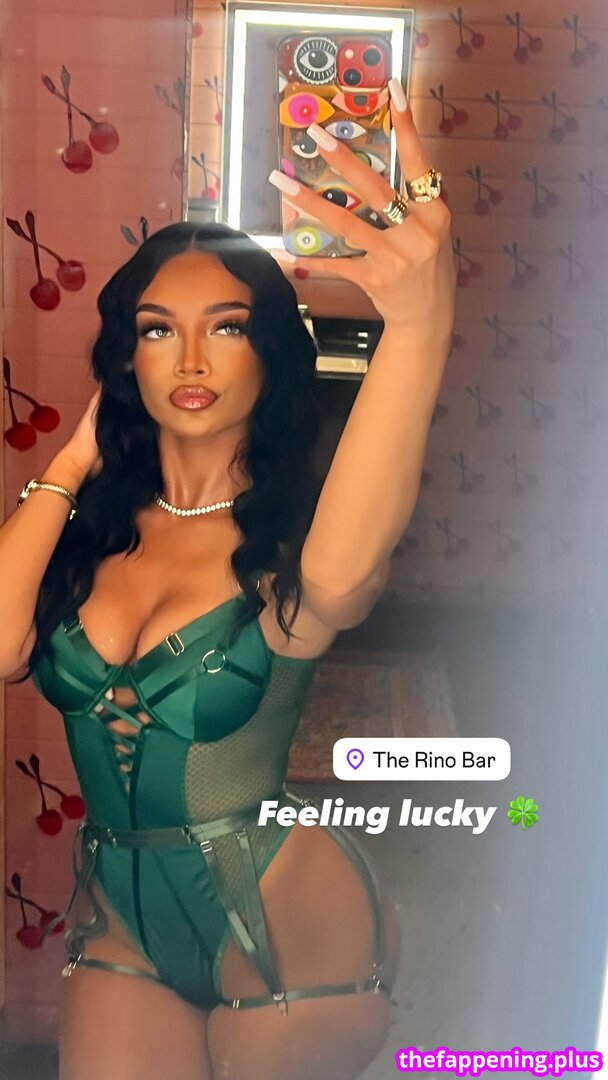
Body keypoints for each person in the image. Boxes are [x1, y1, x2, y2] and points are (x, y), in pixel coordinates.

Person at [0, 79, 455, 1080]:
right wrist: (71, 463)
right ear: (128, 356)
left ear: (271, 353)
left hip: (288, 932)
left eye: (229, 326)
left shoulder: (292, 541)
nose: (191, 357)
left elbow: (339, 582)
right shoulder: (93, 526)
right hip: (123, 926)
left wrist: (419, 325)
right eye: (158, 329)